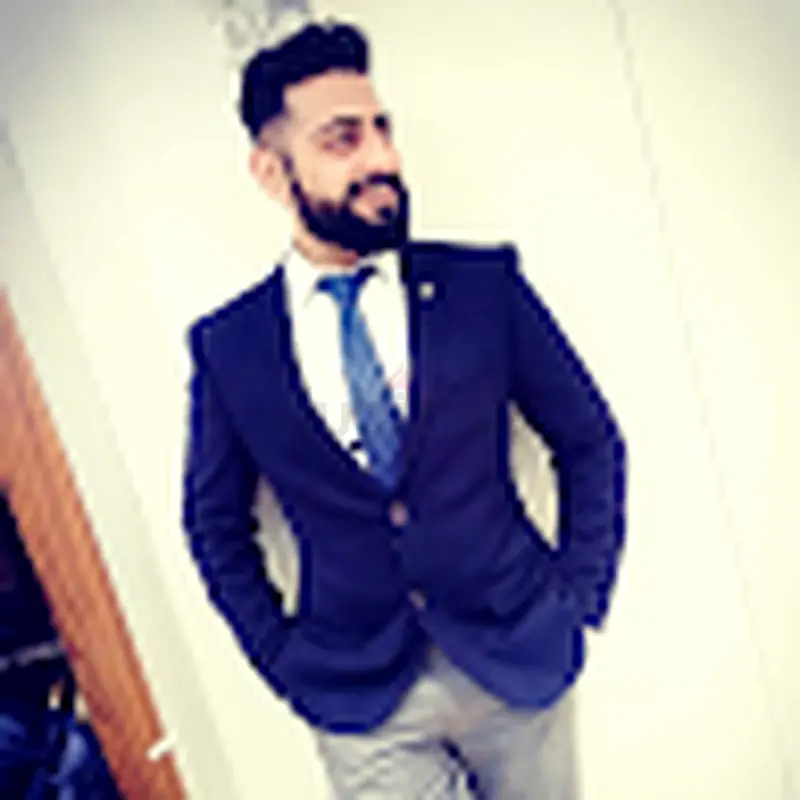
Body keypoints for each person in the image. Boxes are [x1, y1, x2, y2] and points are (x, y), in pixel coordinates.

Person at [182, 20, 626, 799]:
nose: (381, 159)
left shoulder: (482, 287)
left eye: (382, 129)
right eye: (342, 139)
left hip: (516, 659)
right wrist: (282, 657)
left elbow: (588, 442)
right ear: (271, 170)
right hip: (359, 696)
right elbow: (214, 523)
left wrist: (577, 598)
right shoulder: (232, 346)